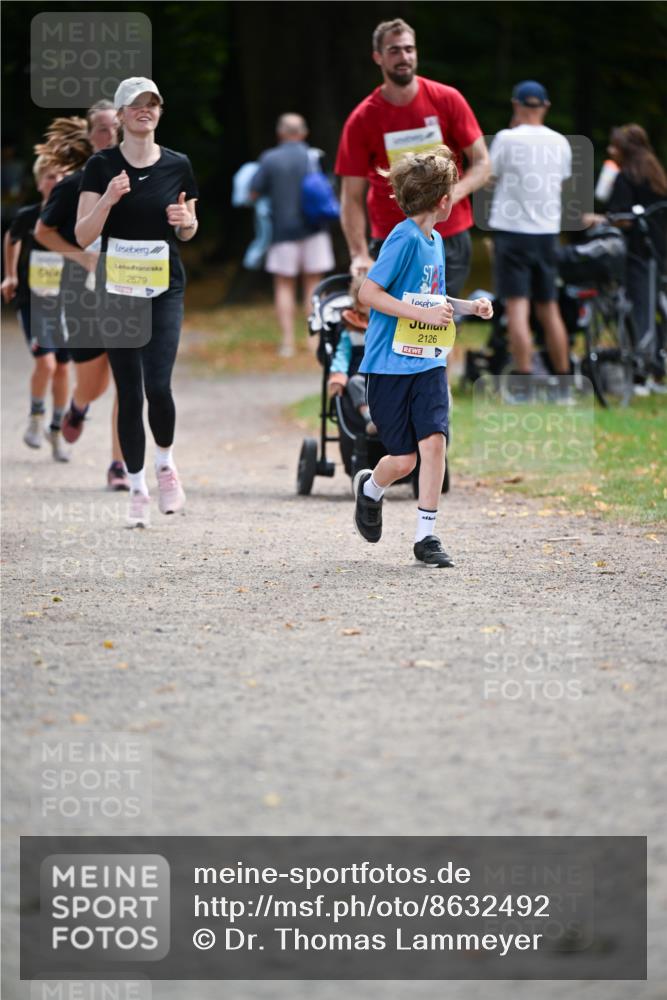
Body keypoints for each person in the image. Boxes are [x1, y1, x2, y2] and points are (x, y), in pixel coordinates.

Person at [353, 146, 492, 567]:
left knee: (434, 442)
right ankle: (371, 489)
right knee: (403, 459)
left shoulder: (435, 241)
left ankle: (426, 536)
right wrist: (423, 313)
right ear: (444, 200)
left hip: (429, 361)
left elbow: (429, 297)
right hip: (390, 365)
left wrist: (468, 306)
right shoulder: (404, 237)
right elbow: (369, 293)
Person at [76, 76, 199, 527]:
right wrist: (108, 199)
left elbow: (190, 228)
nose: (145, 110)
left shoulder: (178, 164)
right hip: (118, 288)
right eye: (136, 104)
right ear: (123, 115)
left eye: (153, 104)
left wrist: (185, 221)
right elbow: (83, 234)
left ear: (159, 112)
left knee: (158, 386)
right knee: (129, 392)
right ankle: (136, 487)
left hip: (165, 284)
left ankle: (165, 464)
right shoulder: (101, 166)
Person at [335, 17, 489, 292]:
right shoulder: (363, 119)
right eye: (394, 50)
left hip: (448, 232)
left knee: (440, 326)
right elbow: (351, 195)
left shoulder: (447, 99)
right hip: (392, 236)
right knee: (397, 326)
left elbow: (483, 163)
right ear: (378, 57)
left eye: (409, 49)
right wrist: (359, 253)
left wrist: (452, 193)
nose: (403, 56)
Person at [34, 109, 130, 490]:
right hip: (83, 295)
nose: (109, 135)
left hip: (128, 291)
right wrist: (84, 257)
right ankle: (78, 405)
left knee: (128, 380)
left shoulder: (142, 179)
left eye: (115, 129)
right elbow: (43, 231)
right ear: (90, 137)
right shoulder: (74, 184)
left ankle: (119, 465)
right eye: (102, 130)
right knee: (95, 384)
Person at [488, 80, 572, 379]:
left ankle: (524, 376)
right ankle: (563, 377)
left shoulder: (506, 139)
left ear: (516, 105)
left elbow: (490, 176)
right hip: (547, 233)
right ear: (545, 107)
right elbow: (560, 183)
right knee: (549, 308)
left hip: (512, 232)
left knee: (517, 308)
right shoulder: (560, 142)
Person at [585, 124, 667, 392]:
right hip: (656, 250)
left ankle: (641, 371)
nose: (610, 151)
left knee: (639, 310)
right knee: (653, 307)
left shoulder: (625, 177)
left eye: (614, 146)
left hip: (634, 254)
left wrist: (599, 220)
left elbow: (624, 219)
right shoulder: (655, 174)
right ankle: (655, 366)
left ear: (625, 150)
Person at [1, 154, 70, 460]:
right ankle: (35, 418)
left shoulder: (75, 215)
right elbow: (12, 237)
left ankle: (56, 431)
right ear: (39, 182)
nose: (55, 182)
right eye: (49, 176)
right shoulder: (30, 215)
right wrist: (11, 275)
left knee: (64, 368)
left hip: (69, 303)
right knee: (47, 363)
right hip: (35, 301)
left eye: (61, 176)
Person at [250, 113, 335, 358]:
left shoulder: (269, 159)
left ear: (280, 133)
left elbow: (254, 193)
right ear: (304, 133)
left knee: (284, 286)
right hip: (315, 229)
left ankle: (287, 342)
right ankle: (313, 340)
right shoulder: (314, 156)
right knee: (313, 285)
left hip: (282, 232)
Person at [327, 274, 376, 434]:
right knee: (354, 383)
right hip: (360, 377)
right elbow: (342, 355)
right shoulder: (351, 331)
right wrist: (338, 376)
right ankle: (368, 416)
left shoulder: (390, 327)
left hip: (382, 377)